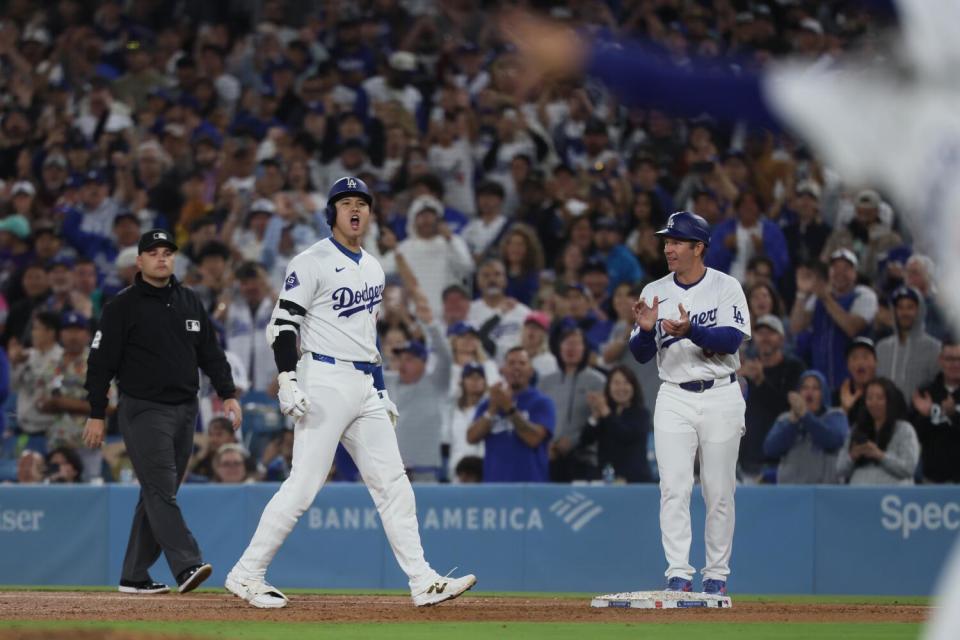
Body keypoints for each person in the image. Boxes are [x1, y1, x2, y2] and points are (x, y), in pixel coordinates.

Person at [225, 177, 475, 610]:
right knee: (304, 485)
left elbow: (367, 336)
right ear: (332, 213)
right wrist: (287, 378)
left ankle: (422, 580)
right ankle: (247, 573)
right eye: (346, 203)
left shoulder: (374, 267)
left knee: (393, 483)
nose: (355, 209)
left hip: (363, 383)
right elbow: (283, 324)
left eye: (362, 203)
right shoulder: (311, 260)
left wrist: (380, 389)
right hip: (322, 377)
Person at [83, 228, 243, 596]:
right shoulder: (122, 306)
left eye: (167, 252)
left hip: (186, 409)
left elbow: (210, 353)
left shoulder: (189, 301)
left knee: (158, 491)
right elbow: (100, 363)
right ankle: (186, 563)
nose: (161, 258)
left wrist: (228, 394)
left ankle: (134, 575)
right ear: (139, 262)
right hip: (143, 409)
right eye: (153, 252)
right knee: (159, 489)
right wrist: (96, 411)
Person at [628, 211, 750, 596]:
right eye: (667, 241)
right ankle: (678, 574)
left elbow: (731, 340)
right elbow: (641, 354)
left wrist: (692, 329)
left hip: (720, 393)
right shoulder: (654, 290)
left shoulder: (726, 286)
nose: (669, 247)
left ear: (699, 247)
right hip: (675, 394)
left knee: (718, 490)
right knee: (674, 488)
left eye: (677, 241)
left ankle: (716, 576)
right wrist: (647, 332)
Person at [790, 250, 878, 391]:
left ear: (855, 273)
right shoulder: (819, 296)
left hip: (853, 381)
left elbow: (852, 327)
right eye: (835, 268)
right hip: (821, 382)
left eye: (846, 268)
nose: (840, 273)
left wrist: (825, 298)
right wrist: (801, 293)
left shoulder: (863, 295)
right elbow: (796, 327)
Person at [466, 346, 555, 483]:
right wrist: (492, 410)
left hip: (531, 487)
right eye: (511, 363)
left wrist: (509, 407)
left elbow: (533, 438)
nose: (516, 368)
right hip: (494, 485)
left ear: (531, 371)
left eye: (522, 363)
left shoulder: (542, 402)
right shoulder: (489, 403)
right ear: (503, 370)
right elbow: (471, 437)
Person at [737, 315, 805, 481]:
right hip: (745, 462)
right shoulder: (744, 371)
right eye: (760, 333)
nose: (765, 337)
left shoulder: (794, 368)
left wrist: (761, 382)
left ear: (782, 339)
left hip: (781, 462)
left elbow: (790, 410)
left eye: (771, 333)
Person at [539, 325, 605, 481]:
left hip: (584, 459)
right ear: (558, 348)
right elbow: (538, 417)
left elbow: (600, 418)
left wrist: (573, 440)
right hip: (550, 457)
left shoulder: (598, 381)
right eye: (567, 343)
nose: (571, 348)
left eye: (576, 344)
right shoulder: (545, 382)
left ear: (585, 349)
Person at [764, 370, 849, 484]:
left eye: (815, 388)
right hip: (791, 492)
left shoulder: (836, 416)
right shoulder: (785, 419)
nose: (809, 392)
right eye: (805, 388)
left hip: (825, 492)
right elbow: (770, 449)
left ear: (823, 392)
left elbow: (833, 440)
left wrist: (806, 416)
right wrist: (792, 423)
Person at [836, 377, 919, 485]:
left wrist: (879, 455)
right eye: (869, 398)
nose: (873, 403)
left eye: (880, 398)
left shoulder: (904, 429)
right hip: (859, 496)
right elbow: (840, 469)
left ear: (890, 400)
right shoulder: (856, 430)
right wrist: (853, 456)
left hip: (893, 497)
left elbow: (908, 468)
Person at [581, 365, 652, 483]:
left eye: (626, 383)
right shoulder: (605, 413)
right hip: (606, 480)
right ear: (608, 387)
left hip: (635, 482)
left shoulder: (641, 414)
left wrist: (605, 411)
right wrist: (594, 416)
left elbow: (625, 435)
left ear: (633, 387)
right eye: (616, 383)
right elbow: (585, 440)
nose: (621, 388)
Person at [876, 286, 942, 402]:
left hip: (919, 416)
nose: (904, 313)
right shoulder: (881, 348)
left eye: (910, 307)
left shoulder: (935, 348)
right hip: (885, 417)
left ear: (919, 310)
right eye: (900, 307)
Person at [910, 340, 960, 483]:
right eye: (950, 359)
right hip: (932, 480)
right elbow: (912, 435)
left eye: (959, 359)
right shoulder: (926, 392)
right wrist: (926, 416)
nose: (955, 364)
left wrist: (953, 415)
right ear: (940, 360)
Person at [442, 363, 487, 483]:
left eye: (479, 377)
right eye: (470, 377)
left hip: (484, 470)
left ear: (484, 382)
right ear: (462, 382)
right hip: (457, 471)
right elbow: (446, 442)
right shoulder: (452, 410)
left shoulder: (490, 410)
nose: (475, 381)